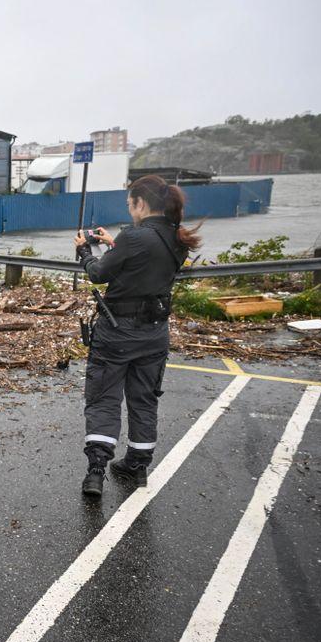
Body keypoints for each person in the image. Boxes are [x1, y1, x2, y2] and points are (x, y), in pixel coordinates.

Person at [73, 175, 202, 497]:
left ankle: (96, 471)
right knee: (144, 399)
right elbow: (144, 263)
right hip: (155, 332)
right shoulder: (177, 239)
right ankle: (138, 464)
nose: (130, 211)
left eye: (130, 205)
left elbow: (99, 274)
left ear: (140, 203)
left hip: (117, 331)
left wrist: (85, 251)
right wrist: (114, 244)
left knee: (104, 396)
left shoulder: (133, 236)